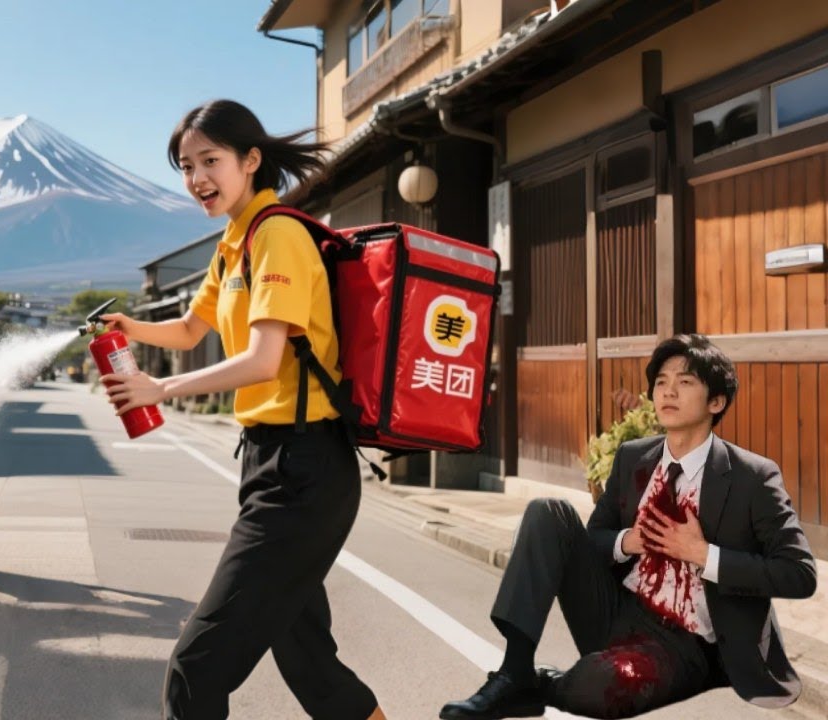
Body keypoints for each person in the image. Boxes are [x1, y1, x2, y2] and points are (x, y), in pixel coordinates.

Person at [99, 100, 386, 720]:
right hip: (270, 462)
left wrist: (161, 390)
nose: (197, 178)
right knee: (309, 661)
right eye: (186, 166)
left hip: (305, 468)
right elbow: (188, 328)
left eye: (211, 161)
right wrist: (131, 327)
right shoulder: (235, 242)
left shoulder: (277, 234)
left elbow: (262, 360)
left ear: (251, 160)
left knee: (196, 667)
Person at [440, 334, 818, 719]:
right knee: (547, 510)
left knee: (599, 685)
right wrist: (628, 542)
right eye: (661, 382)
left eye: (685, 381)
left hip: (683, 644)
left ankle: (543, 685)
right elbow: (592, 539)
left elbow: (800, 573)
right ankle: (514, 671)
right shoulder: (634, 458)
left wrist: (702, 554)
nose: (668, 391)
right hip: (618, 612)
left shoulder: (752, 477)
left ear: (716, 402)